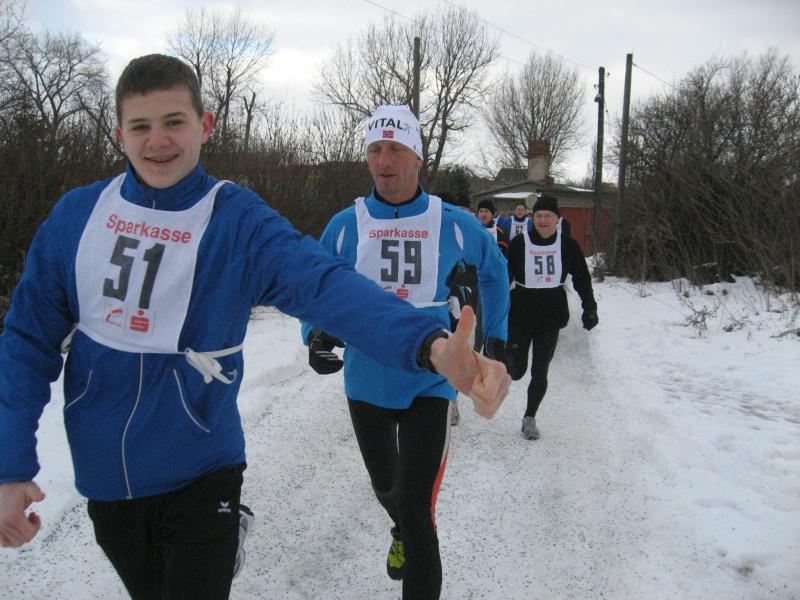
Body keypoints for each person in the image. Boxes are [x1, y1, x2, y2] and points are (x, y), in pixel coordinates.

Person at [0, 56, 510, 600]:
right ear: (119, 131)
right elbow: (27, 340)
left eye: (174, 122)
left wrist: (431, 345)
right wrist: (9, 465)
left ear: (205, 125)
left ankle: (227, 540)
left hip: (202, 462)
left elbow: (327, 284)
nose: (158, 141)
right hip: (106, 470)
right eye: (140, 125)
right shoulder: (78, 216)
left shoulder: (236, 220)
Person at [302, 104, 509, 600]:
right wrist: (315, 333)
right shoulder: (346, 225)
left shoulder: (452, 223)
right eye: (375, 149)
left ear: (417, 157)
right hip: (367, 380)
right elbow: (313, 283)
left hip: (430, 383)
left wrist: (497, 340)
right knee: (387, 490)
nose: (384, 160)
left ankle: (409, 531)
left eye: (395, 148)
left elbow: (495, 270)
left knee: (418, 512)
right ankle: (398, 526)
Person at [506, 195, 598, 440]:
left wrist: (590, 308)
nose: (543, 220)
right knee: (516, 371)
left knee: (540, 370)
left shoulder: (568, 245)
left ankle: (529, 417)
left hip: (551, 315)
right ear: (532, 219)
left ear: (557, 219)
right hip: (521, 313)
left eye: (548, 215)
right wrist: (495, 312)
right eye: (538, 216)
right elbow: (503, 277)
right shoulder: (518, 244)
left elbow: (582, 279)